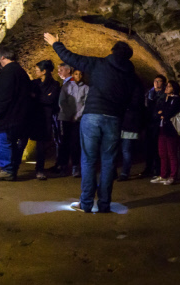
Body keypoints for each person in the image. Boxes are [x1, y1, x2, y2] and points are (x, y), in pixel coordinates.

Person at [44, 32, 137, 213]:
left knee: (88, 160)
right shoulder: (131, 76)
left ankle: (86, 203)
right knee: (109, 161)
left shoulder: (100, 64)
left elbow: (70, 57)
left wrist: (56, 43)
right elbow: (134, 100)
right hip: (114, 119)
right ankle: (104, 204)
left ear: (112, 51)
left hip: (93, 116)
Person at [0, 48, 31, 181]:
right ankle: (11, 169)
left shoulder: (8, 72)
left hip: (8, 116)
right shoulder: (20, 71)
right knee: (11, 142)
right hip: (18, 116)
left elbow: (4, 93)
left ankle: (7, 170)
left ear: (2, 57)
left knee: (1, 140)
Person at [29, 59, 60, 180]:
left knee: (41, 145)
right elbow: (31, 97)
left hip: (44, 118)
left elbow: (51, 101)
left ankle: (40, 170)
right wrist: (43, 98)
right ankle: (12, 168)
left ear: (44, 71)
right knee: (22, 142)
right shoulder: (34, 83)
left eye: (37, 70)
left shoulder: (54, 85)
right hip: (32, 116)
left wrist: (36, 97)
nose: (35, 72)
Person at [56, 68, 88, 177]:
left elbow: (85, 104)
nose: (78, 76)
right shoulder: (67, 86)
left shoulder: (86, 88)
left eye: (80, 74)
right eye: (76, 73)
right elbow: (62, 101)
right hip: (65, 118)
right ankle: (63, 166)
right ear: (73, 74)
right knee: (64, 142)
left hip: (77, 120)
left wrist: (77, 115)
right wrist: (69, 114)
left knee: (75, 143)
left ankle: (75, 166)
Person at [152, 80, 180, 185]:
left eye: (169, 86)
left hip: (171, 130)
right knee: (162, 153)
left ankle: (173, 176)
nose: (166, 88)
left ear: (173, 88)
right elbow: (158, 111)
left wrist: (163, 113)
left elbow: (169, 113)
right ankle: (163, 175)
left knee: (172, 154)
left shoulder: (176, 99)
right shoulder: (165, 99)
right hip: (162, 128)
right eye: (167, 86)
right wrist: (161, 113)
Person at [118, 80, 145, 181]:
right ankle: (114, 172)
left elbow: (135, 105)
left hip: (129, 123)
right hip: (121, 123)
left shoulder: (135, 89)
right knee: (118, 149)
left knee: (126, 150)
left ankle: (125, 173)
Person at [141, 75, 167, 177]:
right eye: (155, 80)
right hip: (149, 122)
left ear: (163, 83)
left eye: (159, 81)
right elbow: (145, 106)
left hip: (158, 123)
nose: (156, 83)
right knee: (148, 146)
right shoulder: (149, 93)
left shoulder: (165, 94)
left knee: (157, 147)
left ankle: (157, 168)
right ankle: (148, 167)